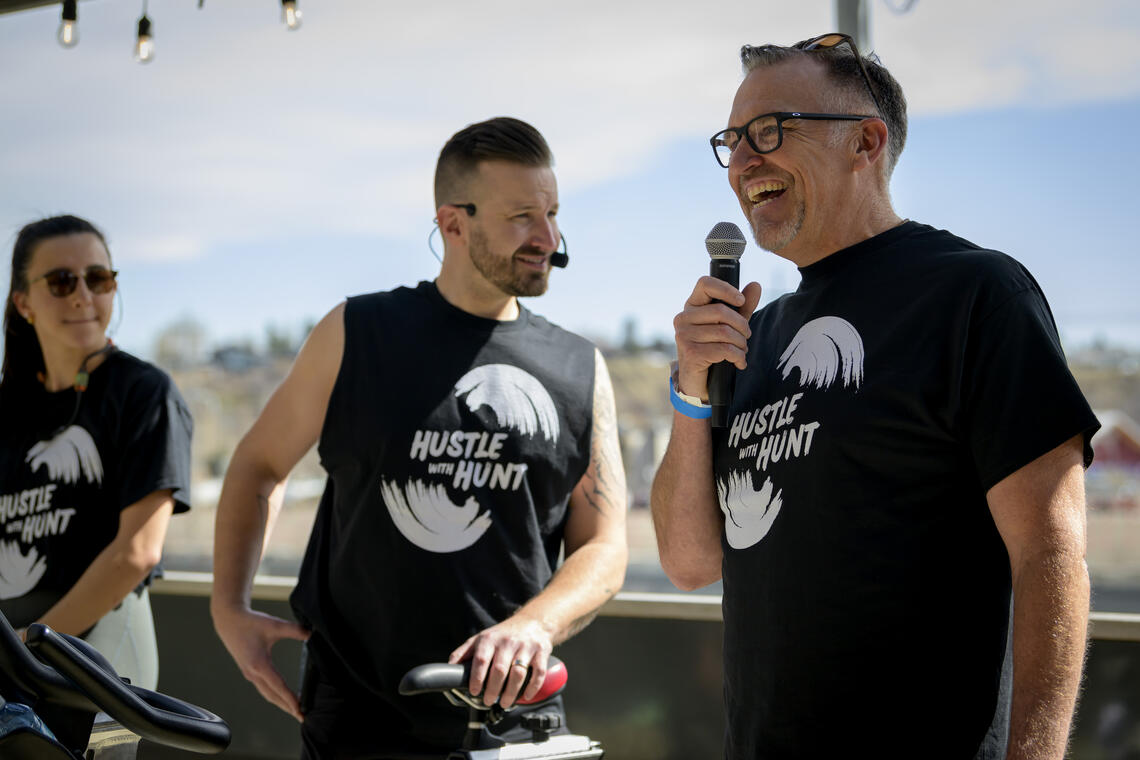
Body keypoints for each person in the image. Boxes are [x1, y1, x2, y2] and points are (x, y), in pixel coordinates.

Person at [651, 33, 1099, 760]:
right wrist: (692, 388)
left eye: (769, 130)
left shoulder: (973, 294)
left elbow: (1050, 553)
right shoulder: (752, 338)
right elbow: (689, 561)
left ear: (865, 141)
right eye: (731, 141)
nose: (742, 160)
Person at [211, 116, 628, 759]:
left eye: (552, 213)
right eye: (521, 216)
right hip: (358, 716)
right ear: (453, 224)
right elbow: (258, 466)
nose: (546, 237)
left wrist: (532, 627)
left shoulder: (580, 367)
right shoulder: (357, 332)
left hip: (515, 721)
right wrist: (228, 609)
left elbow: (603, 545)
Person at [0, 214, 192, 690]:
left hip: (93, 656)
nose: (84, 294)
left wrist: (27, 649)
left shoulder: (144, 392)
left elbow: (137, 553)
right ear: (23, 302)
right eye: (62, 281)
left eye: (99, 278)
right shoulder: (7, 406)